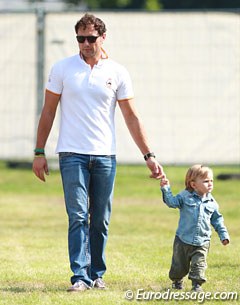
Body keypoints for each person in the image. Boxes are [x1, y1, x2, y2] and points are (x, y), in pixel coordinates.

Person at [32, 13, 164, 292]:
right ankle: (79, 276)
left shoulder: (117, 72)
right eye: (80, 38)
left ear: (103, 37)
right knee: (78, 215)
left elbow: (131, 116)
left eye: (91, 38)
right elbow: (48, 111)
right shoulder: (62, 68)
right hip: (71, 154)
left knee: (101, 218)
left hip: (105, 155)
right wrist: (39, 151)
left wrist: (149, 155)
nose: (85, 43)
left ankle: (96, 274)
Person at [160, 164, 230, 292]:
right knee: (179, 266)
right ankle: (177, 281)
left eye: (211, 181)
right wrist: (166, 188)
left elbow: (217, 220)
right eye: (206, 181)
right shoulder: (185, 197)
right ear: (193, 184)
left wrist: (223, 235)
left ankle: (196, 285)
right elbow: (172, 202)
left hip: (202, 241)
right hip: (183, 240)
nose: (210, 184)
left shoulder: (212, 203)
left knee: (199, 265)